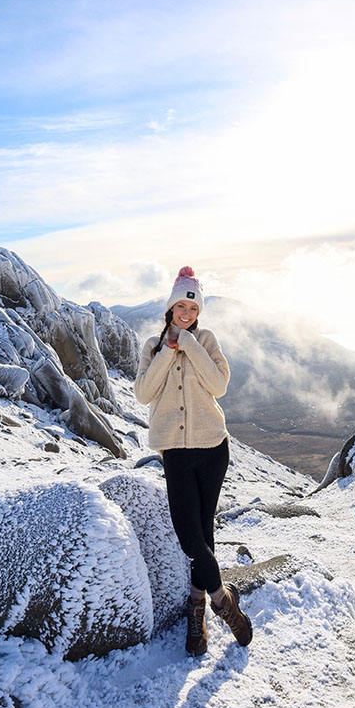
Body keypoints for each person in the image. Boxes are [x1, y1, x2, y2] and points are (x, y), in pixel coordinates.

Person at [134, 266, 252, 656]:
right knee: (189, 535)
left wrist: (190, 344)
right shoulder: (153, 345)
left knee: (203, 531)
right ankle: (222, 601)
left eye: (193, 306)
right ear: (170, 306)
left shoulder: (206, 340)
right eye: (181, 304)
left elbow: (218, 385)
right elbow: (144, 393)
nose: (187, 312)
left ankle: (196, 609)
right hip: (176, 452)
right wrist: (170, 351)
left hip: (213, 448)